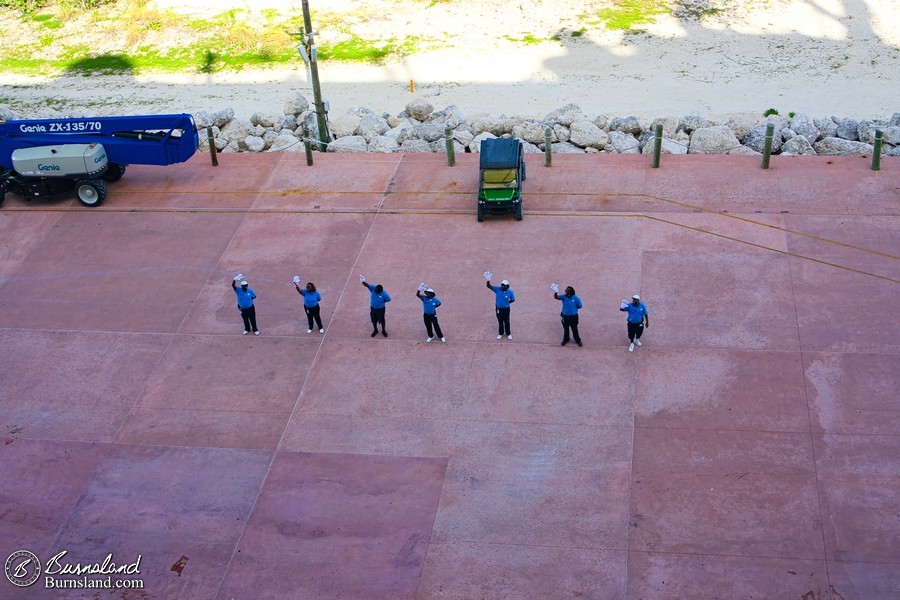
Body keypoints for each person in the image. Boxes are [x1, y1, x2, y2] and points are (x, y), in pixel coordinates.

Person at [484, 271, 515, 339]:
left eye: (504, 285)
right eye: (502, 285)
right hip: (498, 309)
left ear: (507, 286)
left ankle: (508, 333)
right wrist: (488, 280)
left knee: (506, 321)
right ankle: (500, 333)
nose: (502, 286)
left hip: (506, 309)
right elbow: (488, 286)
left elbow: (513, 299)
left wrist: (507, 303)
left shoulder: (510, 292)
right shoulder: (497, 289)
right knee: (500, 321)